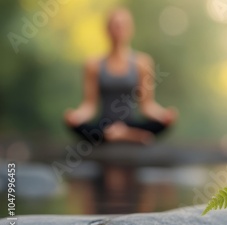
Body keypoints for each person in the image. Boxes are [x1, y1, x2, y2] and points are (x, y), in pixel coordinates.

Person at [64, 7, 177, 144]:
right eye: (115, 25)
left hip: (131, 124)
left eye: (123, 25)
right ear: (107, 29)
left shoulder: (142, 63)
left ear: (131, 29)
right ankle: (129, 136)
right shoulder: (93, 64)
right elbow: (90, 106)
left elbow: (147, 106)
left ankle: (122, 134)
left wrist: (164, 115)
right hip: (104, 125)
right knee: (77, 126)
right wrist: (76, 116)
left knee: (162, 124)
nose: (119, 30)